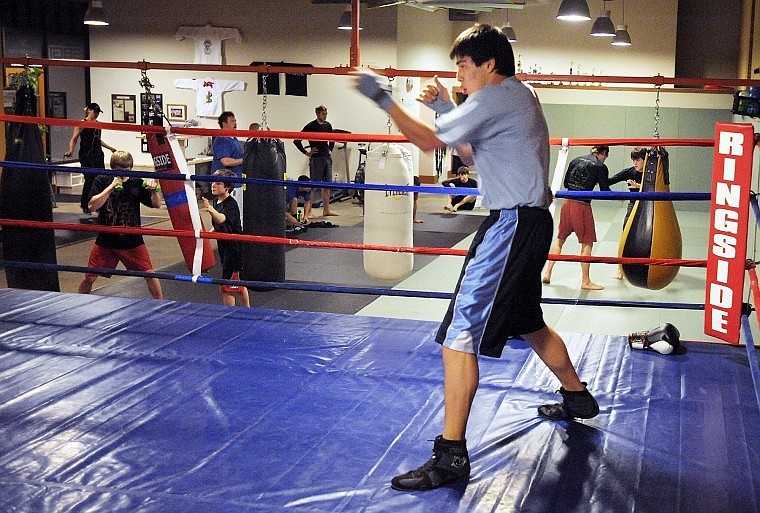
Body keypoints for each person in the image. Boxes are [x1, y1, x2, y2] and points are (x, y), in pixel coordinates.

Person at [355, 23, 598, 492]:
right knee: (529, 321)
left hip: (511, 224)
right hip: (527, 222)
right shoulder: (513, 98)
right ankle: (577, 398)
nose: (460, 76)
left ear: (489, 64)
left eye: (464, 67)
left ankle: (450, 457)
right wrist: (446, 105)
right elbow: (467, 155)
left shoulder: (497, 96)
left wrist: (382, 98)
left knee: (459, 336)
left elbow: (429, 143)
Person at [77, 150, 163, 299]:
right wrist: (111, 187)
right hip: (106, 240)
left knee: (150, 275)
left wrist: (155, 191)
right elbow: (92, 206)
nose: (122, 173)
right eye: (119, 170)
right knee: (89, 277)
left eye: (126, 170)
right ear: (112, 168)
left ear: (130, 168)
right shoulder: (102, 180)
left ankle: (162, 305)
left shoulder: (136, 182)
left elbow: (156, 205)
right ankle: (77, 301)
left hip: (132, 240)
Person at [542, 145, 611, 291]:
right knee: (587, 244)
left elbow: (567, 183)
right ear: (603, 153)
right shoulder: (600, 166)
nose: (605, 159)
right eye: (605, 156)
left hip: (567, 203)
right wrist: (620, 197)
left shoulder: (575, 160)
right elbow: (605, 191)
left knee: (560, 240)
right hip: (581, 206)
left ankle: (547, 273)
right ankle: (586, 282)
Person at [202, 169, 250, 307]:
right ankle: (248, 312)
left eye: (218, 183)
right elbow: (219, 225)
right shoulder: (218, 201)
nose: (213, 185)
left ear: (227, 187)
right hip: (225, 248)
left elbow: (222, 219)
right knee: (238, 285)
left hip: (234, 249)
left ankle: (230, 315)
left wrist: (210, 209)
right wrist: (207, 235)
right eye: (213, 182)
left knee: (226, 287)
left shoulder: (231, 204)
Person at [64, 102, 117, 216]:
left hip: (97, 154)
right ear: (89, 110)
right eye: (95, 112)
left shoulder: (98, 125)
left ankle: (99, 204)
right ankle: (85, 204)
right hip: (86, 155)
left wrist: (110, 148)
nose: (97, 114)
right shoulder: (82, 123)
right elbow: (74, 138)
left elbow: (98, 140)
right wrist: (71, 150)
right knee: (89, 179)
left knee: (101, 178)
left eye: (98, 112)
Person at [293, 105, 339, 217]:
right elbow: (296, 141)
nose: (325, 116)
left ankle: (326, 210)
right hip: (316, 158)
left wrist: (330, 150)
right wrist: (307, 152)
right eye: (323, 114)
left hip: (326, 157)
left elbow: (332, 139)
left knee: (327, 185)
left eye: (326, 114)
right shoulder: (310, 126)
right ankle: (309, 212)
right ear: (318, 114)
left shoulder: (328, 125)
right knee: (313, 185)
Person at [609, 146, 646, 279]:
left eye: (638, 160)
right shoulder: (629, 172)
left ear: (645, 160)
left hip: (649, 207)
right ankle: (620, 268)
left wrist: (638, 186)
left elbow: (658, 190)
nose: (635, 163)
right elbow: (609, 181)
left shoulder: (650, 174)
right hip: (633, 205)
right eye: (633, 160)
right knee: (626, 234)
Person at [212, 111, 244, 215]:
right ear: (224, 124)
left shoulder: (233, 138)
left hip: (236, 181)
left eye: (235, 121)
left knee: (238, 211)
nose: (235, 123)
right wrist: (243, 160)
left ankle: (237, 230)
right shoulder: (222, 139)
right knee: (228, 213)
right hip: (226, 183)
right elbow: (225, 161)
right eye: (232, 121)